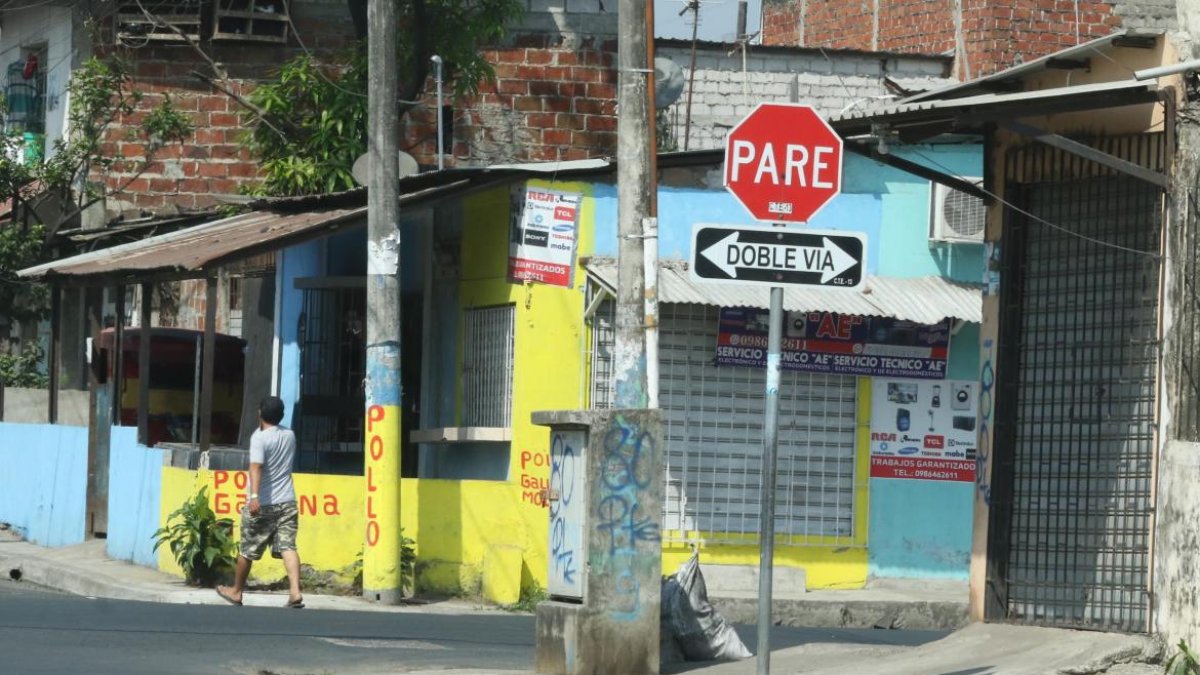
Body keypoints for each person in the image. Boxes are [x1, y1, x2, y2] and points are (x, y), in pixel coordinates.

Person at [216, 396, 304, 608]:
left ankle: (236, 591)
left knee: (248, 548)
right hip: (288, 501)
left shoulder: (259, 438)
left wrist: (254, 497)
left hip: (263, 502)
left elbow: (256, 467)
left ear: (260, 414)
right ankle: (295, 591)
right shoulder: (289, 435)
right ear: (281, 415)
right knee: (288, 546)